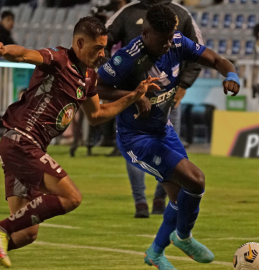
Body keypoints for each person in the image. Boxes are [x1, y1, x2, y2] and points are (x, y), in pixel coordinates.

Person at [0, 17, 157, 270]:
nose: (102, 54)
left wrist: (133, 96)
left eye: (104, 47)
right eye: (97, 48)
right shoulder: (59, 59)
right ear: (80, 43)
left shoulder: (89, 78)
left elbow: (97, 116)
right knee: (72, 197)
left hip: (26, 148)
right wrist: (5, 50)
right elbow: (25, 54)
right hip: (22, 141)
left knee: (26, 234)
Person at [97, 4, 240, 269]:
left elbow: (217, 60)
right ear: (145, 32)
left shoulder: (175, 41)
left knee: (180, 199)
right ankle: (183, 237)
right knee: (196, 180)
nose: (167, 46)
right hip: (136, 139)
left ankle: (155, 253)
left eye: (170, 38)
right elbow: (97, 87)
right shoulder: (127, 58)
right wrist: (133, 96)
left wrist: (231, 74)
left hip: (163, 130)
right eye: (161, 41)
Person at [104, 0, 204, 218]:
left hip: (169, 93)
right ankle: (140, 201)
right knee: (137, 145)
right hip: (133, 95)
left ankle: (161, 199)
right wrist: (113, 74)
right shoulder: (128, 12)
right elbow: (102, 39)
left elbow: (198, 49)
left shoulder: (181, 13)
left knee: (172, 154)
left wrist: (184, 85)